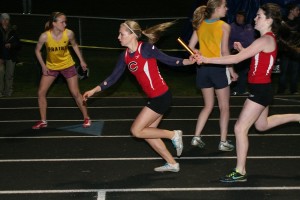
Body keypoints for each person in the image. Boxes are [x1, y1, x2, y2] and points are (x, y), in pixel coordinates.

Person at [195, 3, 300, 182]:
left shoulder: (265, 39)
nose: (254, 18)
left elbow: (235, 58)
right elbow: (259, 58)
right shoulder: (266, 39)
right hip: (262, 89)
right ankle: (297, 116)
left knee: (239, 128)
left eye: (258, 16)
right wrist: (245, 50)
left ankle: (240, 170)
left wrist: (206, 59)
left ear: (268, 20)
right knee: (262, 125)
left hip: (260, 91)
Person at [83, 20, 196, 172]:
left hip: (161, 96)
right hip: (155, 98)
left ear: (132, 35)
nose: (118, 37)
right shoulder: (125, 56)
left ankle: (173, 134)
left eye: (121, 34)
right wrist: (93, 90)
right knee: (148, 133)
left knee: (136, 131)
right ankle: (172, 163)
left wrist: (189, 62)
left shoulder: (146, 48)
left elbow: (169, 60)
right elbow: (113, 78)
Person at [188, 0, 238, 151]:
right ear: (217, 9)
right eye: (224, 6)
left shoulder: (200, 24)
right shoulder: (224, 26)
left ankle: (196, 137)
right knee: (224, 107)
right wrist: (232, 70)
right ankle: (223, 141)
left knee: (208, 106)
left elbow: (190, 47)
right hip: (218, 68)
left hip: (203, 70)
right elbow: (224, 51)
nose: (227, 9)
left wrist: (197, 52)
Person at [32, 12, 91, 129]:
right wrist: (43, 66)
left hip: (67, 65)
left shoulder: (69, 33)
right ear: (54, 23)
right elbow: (37, 50)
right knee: (41, 93)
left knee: (75, 93)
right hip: (51, 67)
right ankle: (43, 121)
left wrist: (82, 61)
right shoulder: (44, 36)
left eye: (65, 21)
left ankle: (86, 117)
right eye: (62, 22)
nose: (65, 24)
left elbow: (74, 45)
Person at [229, 10, 256, 96]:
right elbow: (228, 40)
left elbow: (251, 39)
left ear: (244, 17)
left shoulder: (249, 26)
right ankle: (234, 89)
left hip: (248, 53)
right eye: (237, 16)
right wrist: (232, 48)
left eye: (241, 16)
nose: (239, 18)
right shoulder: (231, 27)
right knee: (237, 72)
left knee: (244, 72)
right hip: (235, 52)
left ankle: (242, 89)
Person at [277, 3, 300, 95]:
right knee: (283, 73)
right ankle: (281, 90)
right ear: (291, 10)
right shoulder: (283, 22)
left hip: (295, 52)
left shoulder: (299, 22)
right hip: (285, 52)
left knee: (295, 72)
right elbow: (279, 37)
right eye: (297, 10)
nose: (298, 12)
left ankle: (293, 90)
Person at [0, 13, 21, 97]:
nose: (5, 21)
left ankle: (8, 91)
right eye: (3, 19)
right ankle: (0, 91)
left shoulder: (13, 31)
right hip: (0, 56)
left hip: (11, 56)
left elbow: (19, 44)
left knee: (10, 75)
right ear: (0, 21)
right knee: (0, 74)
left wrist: (11, 45)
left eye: (7, 19)